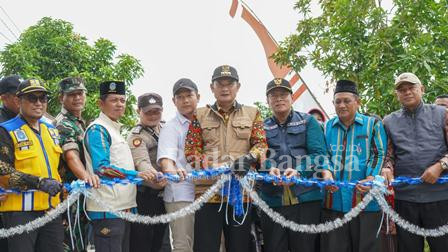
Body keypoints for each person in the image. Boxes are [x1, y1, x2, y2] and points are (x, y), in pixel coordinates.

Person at [184, 65, 268, 252]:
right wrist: (215, 165)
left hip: (241, 193)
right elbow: (191, 151)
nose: (224, 88)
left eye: (229, 83)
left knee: (239, 247)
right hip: (208, 193)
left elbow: (261, 144)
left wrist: (248, 158)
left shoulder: (252, 113)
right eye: (219, 84)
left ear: (238, 87)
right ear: (212, 88)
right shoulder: (199, 114)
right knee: (205, 247)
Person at [83, 81, 154, 252]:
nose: (119, 104)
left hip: (122, 208)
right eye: (113, 100)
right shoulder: (98, 129)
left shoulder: (114, 129)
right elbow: (102, 169)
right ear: (101, 103)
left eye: (122, 100)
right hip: (106, 210)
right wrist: (136, 175)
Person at [259, 78, 328, 252]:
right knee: (274, 248)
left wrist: (299, 171)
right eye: (273, 95)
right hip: (272, 200)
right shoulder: (261, 127)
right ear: (267, 100)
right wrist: (268, 168)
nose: (279, 99)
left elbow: (319, 155)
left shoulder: (307, 121)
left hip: (306, 199)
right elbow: (256, 156)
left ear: (292, 98)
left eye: (283, 94)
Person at [382, 73, 448, 252]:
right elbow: (388, 154)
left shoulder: (443, 114)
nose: (407, 92)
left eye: (411, 88)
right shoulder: (388, 121)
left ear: (422, 89)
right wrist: (386, 168)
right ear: (397, 95)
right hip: (405, 199)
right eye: (402, 90)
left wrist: (440, 165)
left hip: (440, 197)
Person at [321, 79, 387, 252]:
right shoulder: (327, 126)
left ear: (358, 102)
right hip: (333, 202)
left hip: (366, 202)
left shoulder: (372, 125)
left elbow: (379, 153)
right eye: (338, 101)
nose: (342, 105)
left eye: (347, 101)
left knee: (367, 248)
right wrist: (327, 173)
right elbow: (323, 154)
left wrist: (372, 177)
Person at [0, 78, 64, 252]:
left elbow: (57, 167)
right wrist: (39, 182)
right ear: (19, 101)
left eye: (42, 98)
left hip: (51, 210)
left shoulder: (51, 130)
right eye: (32, 98)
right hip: (20, 212)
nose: (38, 103)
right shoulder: (6, 130)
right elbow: (3, 172)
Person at [55, 77, 100, 251]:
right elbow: (71, 157)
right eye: (71, 94)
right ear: (61, 98)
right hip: (70, 196)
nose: (77, 98)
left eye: (80, 93)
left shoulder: (80, 123)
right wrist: (88, 178)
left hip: (82, 194)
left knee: (82, 242)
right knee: (71, 243)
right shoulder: (63, 124)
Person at [158, 78, 200, 252]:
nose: (185, 100)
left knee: (209, 243)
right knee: (183, 245)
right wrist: (173, 170)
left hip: (207, 192)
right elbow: (166, 160)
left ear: (198, 96)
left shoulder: (206, 123)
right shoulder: (171, 127)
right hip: (181, 194)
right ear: (173, 101)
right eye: (180, 97)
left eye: (189, 95)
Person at [127, 93, 170, 252]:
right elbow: (141, 162)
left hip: (165, 197)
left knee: (163, 243)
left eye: (156, 111)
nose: (153, 116)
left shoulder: (166, 128)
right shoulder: (136, 135)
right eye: (148, 112)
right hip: (145, 197)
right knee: (142, 243)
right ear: (139, 111)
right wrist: (156, 176)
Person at [0, 74, 21, 251]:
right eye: (17, 95)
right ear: (3, 97)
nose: (21, 99)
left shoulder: (31, 122)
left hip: (24, 201)